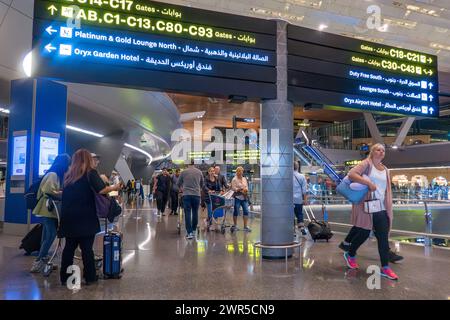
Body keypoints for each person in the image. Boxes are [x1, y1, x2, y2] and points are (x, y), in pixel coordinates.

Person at [59, 149, 121, 285]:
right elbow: (101, 189)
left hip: (68, 217)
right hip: (85, 216)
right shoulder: (90, 173)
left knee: (69, 248)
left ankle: (65, 277)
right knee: (87, 248)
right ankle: (90, 277)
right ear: (87, 159)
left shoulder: (69, 174)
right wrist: (114, 187)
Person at [340, 143, 399, 280]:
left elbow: (385, 189)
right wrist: (368, 183)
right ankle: (351, 253)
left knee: (383, 239)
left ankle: (385, 268)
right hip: (366, 205)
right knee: (364, 233)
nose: (381, 152)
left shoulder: (385, 169)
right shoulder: (366, 164)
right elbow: (352, 174)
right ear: (372, 152)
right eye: (378, 149)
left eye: (383, 150)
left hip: (381, 206)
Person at [30, 154, 71, 273]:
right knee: (51, 235)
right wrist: (62, 193)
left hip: (50, 209)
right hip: (47, 209)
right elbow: (49, 191)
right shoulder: (53, 175)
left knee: (45, 236)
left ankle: (43, 259)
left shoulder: (55, 175)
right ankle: (38, 261)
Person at [177, 161, 204, 240]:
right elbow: (202, 183)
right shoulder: (199, 172)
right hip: (196, 195)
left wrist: (182, 189)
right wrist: (198, 189)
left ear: (187, 164)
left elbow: (178, 183)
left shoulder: (183, 172)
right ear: (194, 164)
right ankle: (194, 229)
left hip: (187, 195)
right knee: (195, 212)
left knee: (187, 213)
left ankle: (189, 233)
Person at [231, 166, 251, 232]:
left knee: (246, 211)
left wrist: (246, 190)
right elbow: (233, 188)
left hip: (244, 197)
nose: (240, 172)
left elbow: (247, 186)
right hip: (237, 197)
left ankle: (245, 226)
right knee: (236, 211)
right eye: (239, 171)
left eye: (241, 171)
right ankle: (235, 225)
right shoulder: (234, 179)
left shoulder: (244, 179)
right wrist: (239, 189)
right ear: (236, 172)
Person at [293, 161, 308, 229]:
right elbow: (304, 190)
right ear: (298, 167)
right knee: (299, 214)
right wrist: (305, 200)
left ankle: (292, 230)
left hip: (289, 200)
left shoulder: (287, 177)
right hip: (298, 200)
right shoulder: (302, 176)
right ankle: (302, 229)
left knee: (290, 215)